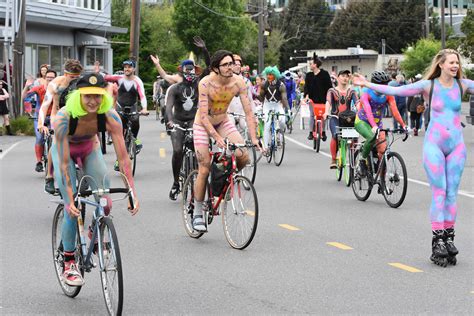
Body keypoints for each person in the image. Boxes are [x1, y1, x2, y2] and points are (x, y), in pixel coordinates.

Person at [353, 49, 474, 266]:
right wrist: (367, 84)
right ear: (441, 64)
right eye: (451, 62)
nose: (455, 66)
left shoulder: (462, 85)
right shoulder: (429, 86)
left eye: (457, 62)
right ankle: (437, 241)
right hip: (434, 146)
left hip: (456, 146)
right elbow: (398, 91)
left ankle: (449, 237)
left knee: (452, 194)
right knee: (439, 192)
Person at [51, 73, 139, 286]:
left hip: (90, 148)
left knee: (105, 202)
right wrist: (70, 199)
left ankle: (95, 229)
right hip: (64, 153)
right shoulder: (64, 117)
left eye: (97, 96)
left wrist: (132, 193)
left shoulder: (109, 116)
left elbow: (123, 158)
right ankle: (69, 262)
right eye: (87, 96)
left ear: (104, 97)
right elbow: (63, 165)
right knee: (72, 210)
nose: (92, 101)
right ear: (78, 96)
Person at [192, 50, 259, 232]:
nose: (231, 67)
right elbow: (204, 117)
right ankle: (198, 211)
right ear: (216, 68)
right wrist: (217, 139)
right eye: (226, 65)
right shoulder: (206, 83)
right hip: (203, 124)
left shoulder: (239, 82)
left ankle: (222, 184)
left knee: (243, 156)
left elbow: (248, 112)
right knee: (204, 165)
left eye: (232, 63)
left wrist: (254, 138)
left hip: (223, 120)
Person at [38, 59, 83, 194]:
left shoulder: (81, 83)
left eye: (77, 77)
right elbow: (45, 105)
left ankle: (84, 171)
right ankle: (49, 176)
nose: (75, 79)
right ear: (65, 73)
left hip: (76, 116)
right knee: (56, 143)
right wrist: (41, 124)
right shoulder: (55, 84)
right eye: (72, 77)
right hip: (57, 115)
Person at [353, 70, 407, 176]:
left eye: (386, 84)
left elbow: (395, 111)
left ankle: (382, 180)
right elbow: (368, 111)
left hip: (377, 124)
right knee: (371, 137)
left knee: (383, 150)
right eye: (382, 85)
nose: (384, 87)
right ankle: (362, 160)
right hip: (362, 121)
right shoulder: (366, 92)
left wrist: (403, 125)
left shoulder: (388, 94)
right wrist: (373, 126)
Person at [96, 59, 149, 157]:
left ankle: (135, 139)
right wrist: (97, 72)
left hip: (133, 107)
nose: (127, 69)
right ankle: (118, 159)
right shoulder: (119, 78)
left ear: (134, 69)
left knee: (135, 121)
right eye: (125, 67)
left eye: (129, 67)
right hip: (120, 108)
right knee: (119, 134)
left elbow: (142, 95)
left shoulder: (137, 81)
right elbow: (105, 77)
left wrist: (144, 108)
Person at [165, 60, 200, 200]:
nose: (189, 72)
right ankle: (175, 183)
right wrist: (170, 121)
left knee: (199, 149)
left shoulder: (200, 86)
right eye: (187, 70)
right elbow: (168, 107)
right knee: (178, 150)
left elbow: (211, 69)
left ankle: (198, 175)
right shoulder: (175, 88)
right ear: (182, 71)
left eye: (192, 70)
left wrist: (204, 50)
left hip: (193, 121)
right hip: (178, 122)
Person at [323, 70, 358, 169]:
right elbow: (328, 102)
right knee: (335, 135)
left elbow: (357, 103)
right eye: (342, 76)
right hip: (335, 118)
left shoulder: (352, 91)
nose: (345, 78)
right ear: (338, 78)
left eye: (347, 76)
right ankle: (333, 159)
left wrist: (361, 111)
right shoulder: (332, 91)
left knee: (354, 137)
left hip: (348, 119)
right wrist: (326, 112)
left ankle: (353, 157)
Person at [25, 69, 57, 172]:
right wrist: (29, 110)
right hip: (40, 117)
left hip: (54, 117)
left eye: (52, 78)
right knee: (39, 138)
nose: (50, 80)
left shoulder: (59, 89)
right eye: (48, 78)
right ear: (45, 78)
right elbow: (26, 98)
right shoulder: (39, 89)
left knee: (59, 138)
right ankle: (39, 162)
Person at [258, 66, 289, 152]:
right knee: (267, 125)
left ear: (275, 75)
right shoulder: (264, 84)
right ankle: (266, 147)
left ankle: (280, 134)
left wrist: (288, 110)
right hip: (267, 105)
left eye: (271, 75)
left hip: (277, 105)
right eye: (267, 75)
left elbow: (284, 98)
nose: (268, 77)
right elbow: (261, 98)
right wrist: (256, 94)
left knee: (282, 120)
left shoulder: (281, 85)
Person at [304, 53, 332, 140]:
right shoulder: (308, 75)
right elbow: (306, 88)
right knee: (312, 115)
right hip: (313, 100)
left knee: (324, 115)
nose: (310, 65)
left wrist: (330, 97)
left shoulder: (325, 74)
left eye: (311, 64)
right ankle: (311, 132)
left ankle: (323, 132)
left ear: (315, 65)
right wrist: (306, 96)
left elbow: (329, 87)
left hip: (323, 99)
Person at [227, 54, 254, 134]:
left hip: (242, 113)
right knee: (231, 130)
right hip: (229, 112)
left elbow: (250, 100)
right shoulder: (225, 80)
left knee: (248, 130)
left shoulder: (246, 81)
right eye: (235, 64)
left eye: (239, 65)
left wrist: (254, 114)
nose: (238, 66)